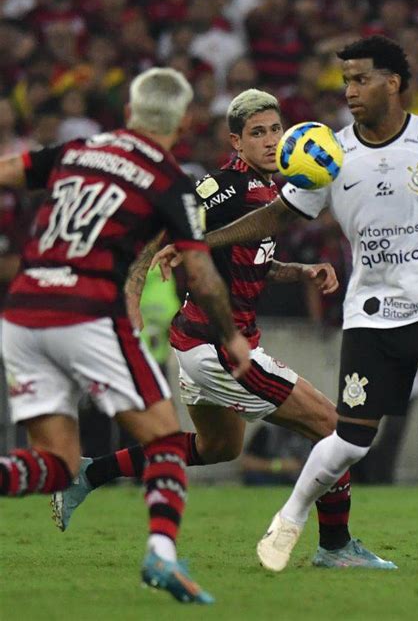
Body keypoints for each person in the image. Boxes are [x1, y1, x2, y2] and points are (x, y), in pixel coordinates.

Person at [160, 36, 418, 571]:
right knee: (348, 439)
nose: (349, 91)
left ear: (392, 82)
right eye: (345, 80)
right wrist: (200, 242)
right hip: (371, 319)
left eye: (360, 79)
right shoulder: (330, 153)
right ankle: (296, 523)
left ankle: (310, 533)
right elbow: (277, 216)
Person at [54, 88, 396, 571]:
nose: (271, 140)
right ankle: (335, 547)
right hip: (218, 347)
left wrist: (298, 270)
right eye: (258, 133)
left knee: (218, 447)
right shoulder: (224, 188)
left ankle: (90, 473)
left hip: (198, 345)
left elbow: (246, 257)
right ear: (236, 142)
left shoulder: (271, 191)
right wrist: (131, 298)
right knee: (332, 426)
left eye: (276, 129)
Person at [0, 67, 252, 604]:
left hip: (21, 312)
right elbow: (202, 274)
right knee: (164, 439)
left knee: (56, 465)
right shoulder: (167, 179)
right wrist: (230, 336)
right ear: (185, 120)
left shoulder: (77, 149)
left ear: (131, 111)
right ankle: (161, 556)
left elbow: (9, 172)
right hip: (85, 311)